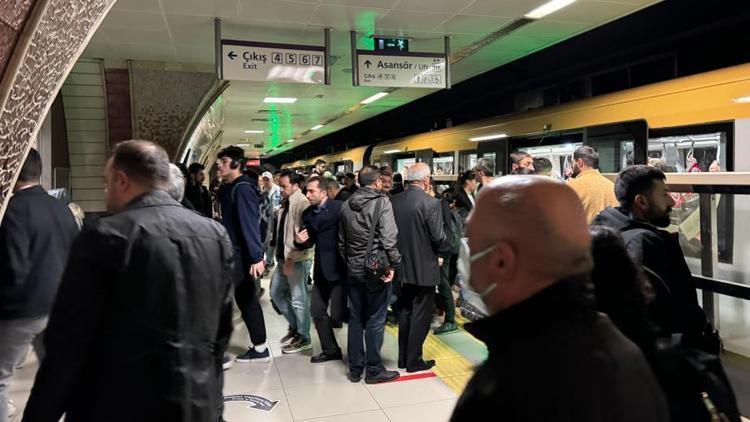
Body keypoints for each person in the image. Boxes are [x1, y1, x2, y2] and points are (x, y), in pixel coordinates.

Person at [22, 140, 235, 422]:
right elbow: (220, 333)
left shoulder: (104, 237)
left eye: (107, 181)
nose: (105, 189)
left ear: (122, 180)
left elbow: (68, 346)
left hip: (120, 404)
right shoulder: (214, 234)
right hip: (194, 401)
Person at [451, 175, 669, 422]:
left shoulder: (506, 391)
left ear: (502, 260)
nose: (467, 255)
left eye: (473, 243)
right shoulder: (616, 344)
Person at [593, 165, 711, 351]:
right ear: (641, 202)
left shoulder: (607, 233)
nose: (672, 202)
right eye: (664, 194)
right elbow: (668, 308)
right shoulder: (644, 243)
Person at [0, 149, 78, 422]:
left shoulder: (13, 210)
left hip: (22, 310)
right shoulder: (62, 208)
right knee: (56, 373)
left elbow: (13, 267)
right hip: (57, 306)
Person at [339, 165, 401, 384]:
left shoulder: (346, 205)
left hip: (353, 269)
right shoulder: (383, 202)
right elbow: (389, 240)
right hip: (375, 269)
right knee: (375, 319)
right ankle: (374, 369)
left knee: (356, 319)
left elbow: (342, 242)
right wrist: (394, 264)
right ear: (376, 182)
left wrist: (350, 264)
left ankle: (355, 369)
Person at [216, 146, 270, 364]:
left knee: (221, 301)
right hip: (238, 253)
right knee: (247, 299)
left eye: (224, 161)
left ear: (237, 164)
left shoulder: (243, 189)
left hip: (239, 255)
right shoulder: (232, 187)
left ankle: (219, 354)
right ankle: (260, 347)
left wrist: (256, 256)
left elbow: (249, 223)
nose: (219, 165)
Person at [391, 163, 447, 372]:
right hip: (424, 267)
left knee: (405, 311)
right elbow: (438, 237)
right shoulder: (431, 203)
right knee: (421, 314)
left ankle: (403, 358)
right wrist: (445, 249)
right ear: (425, 180)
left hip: (401, 267)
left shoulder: (394, 200)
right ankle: (414, 361)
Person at [293, 177, 347, 363]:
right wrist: (300, 242)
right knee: (317, 311)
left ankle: (361, 351)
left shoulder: (340, 208)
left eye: (311, 191)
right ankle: (331, 350)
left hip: (342, 269)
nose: (307, 194)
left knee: (340, 315)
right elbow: (309, 239)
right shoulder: (308, 213)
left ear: (323, 192)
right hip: (322, 270)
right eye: (306, 191)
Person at [270, 170, 314, 354]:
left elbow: (305, 236)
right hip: (284, 258)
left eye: (284, 186)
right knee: (277, 294)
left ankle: (304, 337)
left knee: (298, 299)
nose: (281, 189)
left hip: (295, 259)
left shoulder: (301, 202)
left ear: (296, 186)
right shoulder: (287, 202)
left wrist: (292, 257)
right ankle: (297, 327)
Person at [434, 189, 462, 335]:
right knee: (444, 283)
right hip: (451, 251)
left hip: (443, 252)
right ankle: (443, 310)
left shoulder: (442, 208)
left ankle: (450, 320)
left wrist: (440, 253)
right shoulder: (453, 213)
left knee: (443, 283)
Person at [567, 146, 618, 224]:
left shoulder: (572, 186)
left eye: (573, 162)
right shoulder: (612, 186)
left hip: (585, 235)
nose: (572, 166)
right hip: (609, 235)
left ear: (579, 163)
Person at [261, 171, 282, 271]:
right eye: (264, 179)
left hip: (276, 217)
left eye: (267, 179)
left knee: (273, 239)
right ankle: (269, 260)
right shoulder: (262, 191)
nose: (266, 182)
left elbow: (283, 201)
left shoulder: (277, 189)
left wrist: (279, 207)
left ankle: (270, 260)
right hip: (266, 218)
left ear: (271, 179)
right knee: (267, 238)